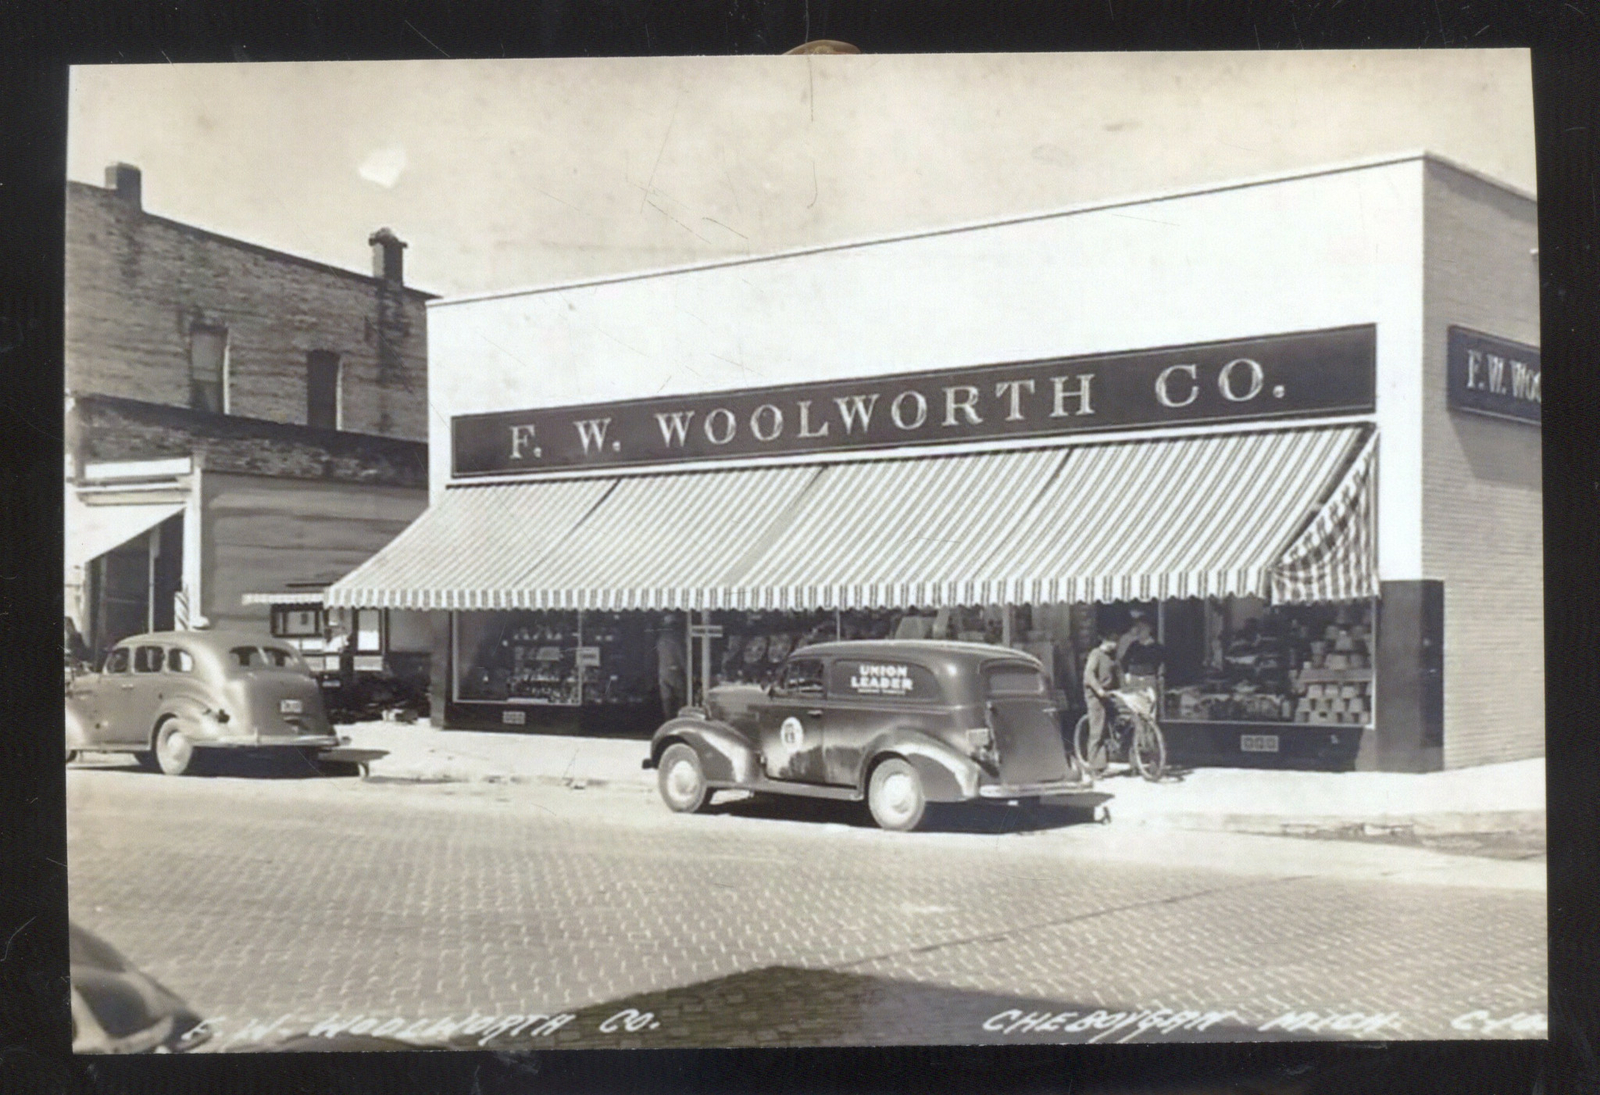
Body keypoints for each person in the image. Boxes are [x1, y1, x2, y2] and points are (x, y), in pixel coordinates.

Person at [1082, 631, 1121, 763]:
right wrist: (1098, 689)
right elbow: (1089, 674)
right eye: (1113, 641)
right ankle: (1093, 765)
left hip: (1109, 693)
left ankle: (1103, 762)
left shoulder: (1111, 656)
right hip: (1095, 696)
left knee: (1110, 726)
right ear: (1106, 641)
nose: (1115, 644)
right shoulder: (1096, 654)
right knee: (1097, 731)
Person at [1120, 616, 1166, 701]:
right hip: (1134, 680)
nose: (1139, 631)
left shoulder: (1157, 647)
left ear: (1149, 629)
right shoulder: (1134, 645)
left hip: (1148, 679)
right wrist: (1127, 674)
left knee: (1149, 704)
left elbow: (1161, 664)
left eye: (1142, 628)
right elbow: (1124, 660)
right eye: (1138, 628)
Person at [655, 614, 687, 719]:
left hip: (662, 671)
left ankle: (667, 719)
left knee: (666, 698)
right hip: (675, 671)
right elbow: (681, 656)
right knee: (680, 695)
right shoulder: (676, 639)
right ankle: (679, 719)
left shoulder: (660, 639)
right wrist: (688, 671)